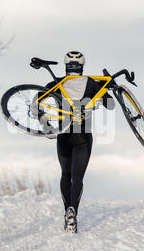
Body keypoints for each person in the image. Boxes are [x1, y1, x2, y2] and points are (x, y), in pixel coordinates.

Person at [44, 51, 114, 233]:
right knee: (78, 178)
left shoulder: (57, 83)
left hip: (63, 135)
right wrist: (107, 86)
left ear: (66, 66)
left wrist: (46, 126)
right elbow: (111, 105)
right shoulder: (92, 83)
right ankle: (73, 210)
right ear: (82, 66)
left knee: (65, 175)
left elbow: (37, 102)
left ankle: (66, 212)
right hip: (83, 136)